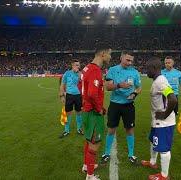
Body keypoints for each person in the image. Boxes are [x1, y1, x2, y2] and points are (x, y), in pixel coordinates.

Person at [100, 51, 142, 165]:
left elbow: (139, 88)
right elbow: (108, 87)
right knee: (111, 129)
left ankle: (131, 154)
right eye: (127, 60)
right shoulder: (112, 70)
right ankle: (106, 153)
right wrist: (119, 85)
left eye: (131, 61)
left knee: (130, 129)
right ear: (121, 58)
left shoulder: (134, 72)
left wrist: (134, 94)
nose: (129, 62)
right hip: (115, 104)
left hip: (129, 105)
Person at [141, 57, 178, 180]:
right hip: (157, 121)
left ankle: (164, 175)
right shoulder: (157, 80)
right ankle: (152, 162)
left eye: (148, 69)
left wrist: (165, 115)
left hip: (164, 123)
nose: (146, 71)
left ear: (155, 68)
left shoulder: (160, 81)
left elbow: (173, 98)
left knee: (164, 149)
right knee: (153, 140)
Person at [81, 43, 112, 180]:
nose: (111, 57)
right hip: (93, 112)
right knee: (95, 143)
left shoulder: (86, 68)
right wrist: (99, 109)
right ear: (102, 54)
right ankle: (90, 176)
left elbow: (81, 86)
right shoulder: (95, 70)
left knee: (88, 140)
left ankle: (86, 166)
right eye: (110, 54)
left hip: (87, 111)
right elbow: (92, 94)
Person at [59, 59, 83, 138]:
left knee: (79, 112)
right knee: (68, 113)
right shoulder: (67, 73)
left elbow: (84, 83)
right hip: (69, 95)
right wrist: (62, 95)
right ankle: (66, 130)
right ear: (72, 65)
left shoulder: (80, 74)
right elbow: (62, 84)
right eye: (76, 65)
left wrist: (80, 75)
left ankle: (79, 129)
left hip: (78, 95)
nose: (78, 66)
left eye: (79, 65)